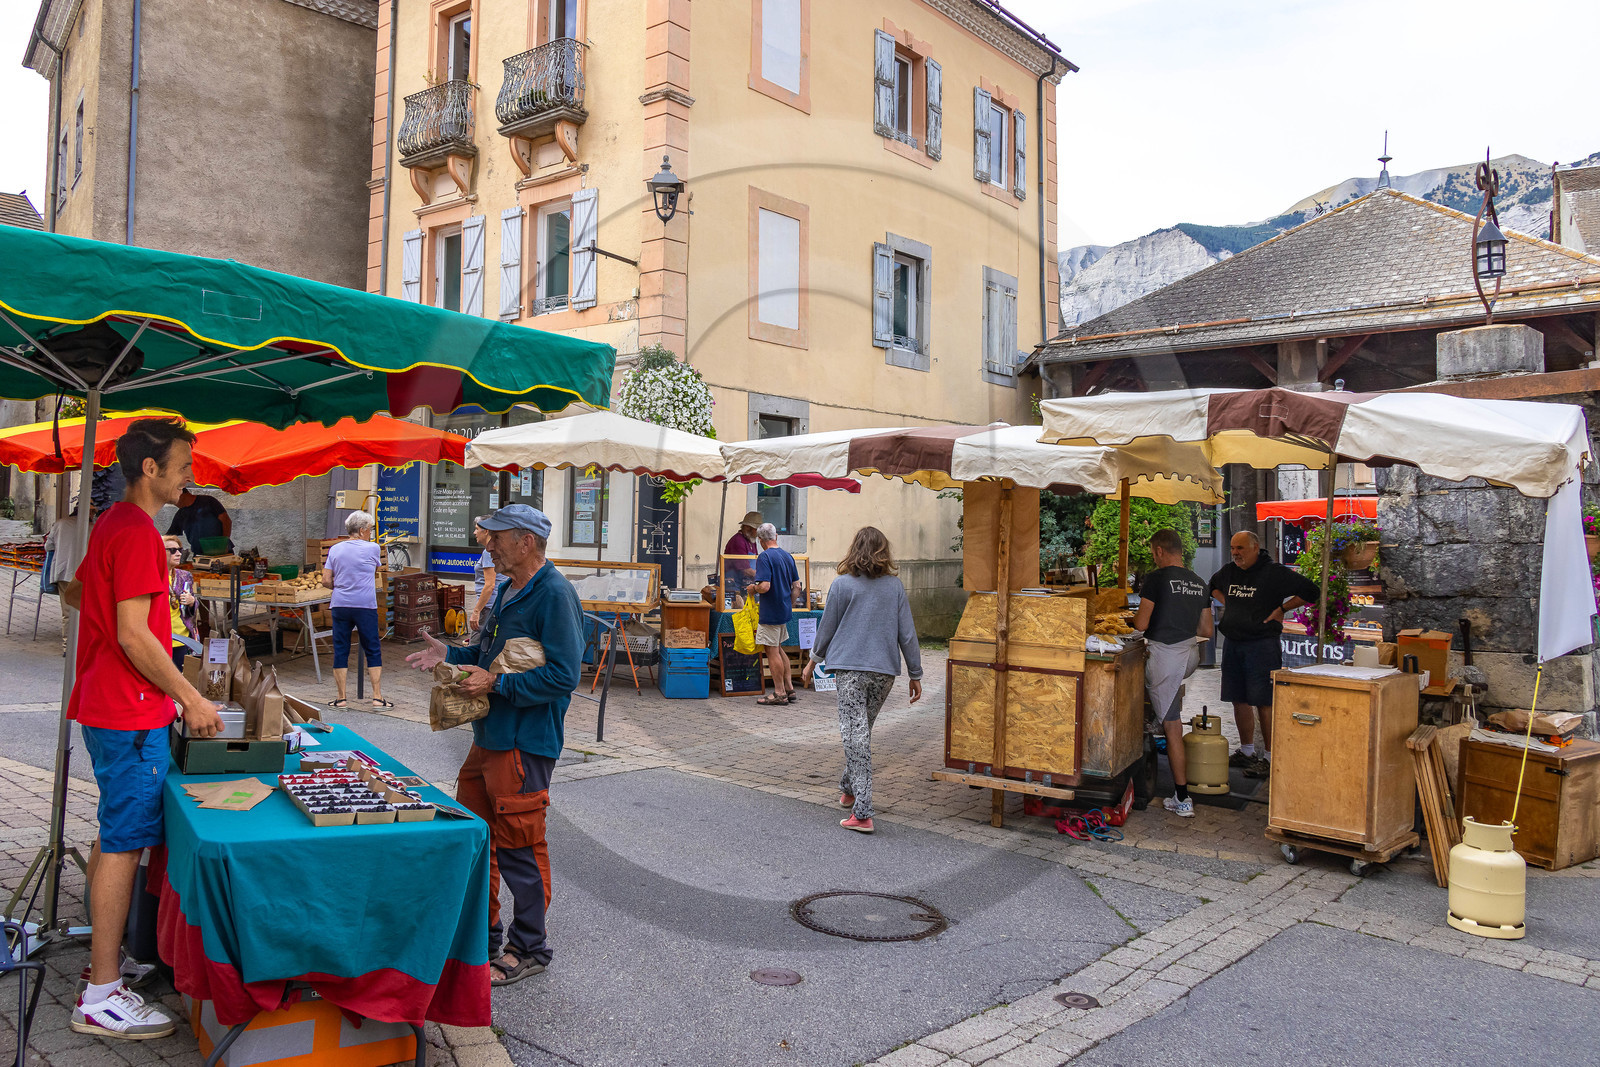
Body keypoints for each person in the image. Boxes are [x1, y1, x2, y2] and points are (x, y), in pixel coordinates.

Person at [68, 417, 223, 1042]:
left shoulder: (116, 525)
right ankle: (103, 994)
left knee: (116, 834)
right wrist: (187, 695)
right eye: (184, 463)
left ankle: (109, 961)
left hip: (113, 704)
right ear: (150, 469)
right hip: (130, 710)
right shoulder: (135, 532)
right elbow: (131, 632)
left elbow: (79, 596)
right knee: (126, 841)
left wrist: (140, 621)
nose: (192, 474)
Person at [405, 504, 582, 986]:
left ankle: (529, 947)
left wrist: (495, 686)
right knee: (478, 841)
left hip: (525, 743)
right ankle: (480, 939)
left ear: (526, 541)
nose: (486, 543)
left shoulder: (555, 594)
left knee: (521, 845)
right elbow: (486, 656)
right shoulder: (506, 589)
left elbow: (565, 677)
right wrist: (451, 653)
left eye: (496, 536)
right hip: (490, 737)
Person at [805, 526, 922, 834]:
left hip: (851, 672)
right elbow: (907, 633)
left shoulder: (841, 585)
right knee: (860, 732)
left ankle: (863, 812)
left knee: (855, 735)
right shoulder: (894, 587)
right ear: (884, 551)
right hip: (884, 673)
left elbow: (827, 626)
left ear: (854, 549)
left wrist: (812, 661)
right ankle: (849, 787)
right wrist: (915, 673)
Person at [1208, 530, 1319, 779]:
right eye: (1233, 548)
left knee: (1264, 701)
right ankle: (1246, 751)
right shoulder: (1228, 571)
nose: (1236, 552)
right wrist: (1229, 603)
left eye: (1241, 548)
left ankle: (1269, 756)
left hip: (1262, 644)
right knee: (1238, 698)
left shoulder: (1274, 572)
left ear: (1256, 548)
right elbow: (1212, 586)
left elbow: (1311, 591)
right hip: (1234, 643)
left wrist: (1282, 608)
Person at [1132, 529, 1214, 818]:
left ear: (1159, 552)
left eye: (1154, 553)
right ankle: (1156, 718)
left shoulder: (1155, 579)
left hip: (1166, 656)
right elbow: (1206, 630)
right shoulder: (1199, 582)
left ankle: (1182, 798)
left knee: (1173, 727)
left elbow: (1141, 623)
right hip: (1190, 654)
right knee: (1169, 713)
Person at [322, 511, 387, 708]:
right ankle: (377, 697)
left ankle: (341, 698)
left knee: (340, 649)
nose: (370, 533)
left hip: (340, 604)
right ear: (361, 530)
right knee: (372, 649)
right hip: (365, 605)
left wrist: (341, 587)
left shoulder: (335, 549)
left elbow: (326, 580)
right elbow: (374, 571)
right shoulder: (373, 548)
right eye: (369, 529)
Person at [748, 522, 800, 706]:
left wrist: (752, 589)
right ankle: (789, 688)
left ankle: (779, 693)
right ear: (776, 536)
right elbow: (797, 587)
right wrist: (789, 603)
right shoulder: (787, 556)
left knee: (772, 651)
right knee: (778, 648)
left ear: (761, 540)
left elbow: (764, 586)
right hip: (783, 610)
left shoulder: (764, 557)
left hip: (770, 611)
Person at [163, 536, 199, 668]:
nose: (178, 553)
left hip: (183, 639)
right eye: (172, 550)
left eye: (179, 550)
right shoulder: (152, 577)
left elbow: (193, 608)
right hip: (160, 641)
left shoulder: (184, 576)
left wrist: (192, 601)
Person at [165, 488, 232, 555]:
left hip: (221, 551)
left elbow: (226, 521)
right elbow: (169, 535)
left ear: (180, 494)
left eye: (173, 500)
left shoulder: (208, 501)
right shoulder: (181, 514)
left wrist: (224, 543)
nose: (174, 503)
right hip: (199, 554)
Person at [722, 510, 763, 599]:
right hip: (734, 585)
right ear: (749, 528)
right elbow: (746, 570)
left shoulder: (751, 541)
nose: (759, 533)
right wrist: (764, 576)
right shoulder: (738, 541)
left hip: (746, 583)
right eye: (758, 529)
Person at [469, 515, 500, 630]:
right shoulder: (497, 548)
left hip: (488, 607)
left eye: (477, 529)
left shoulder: (488, 552)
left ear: (486, 531)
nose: (474, 532)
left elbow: (489, 585)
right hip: (495, 605)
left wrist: (476, 611)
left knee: (476, 645)